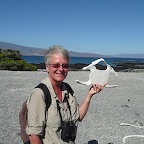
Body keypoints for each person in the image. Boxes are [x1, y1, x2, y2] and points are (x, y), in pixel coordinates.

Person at [26, 45, 105, 144]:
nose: (61, 69)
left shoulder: (67, 89)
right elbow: (34, 136)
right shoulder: (40, 93)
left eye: (65, 65)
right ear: (47, 67)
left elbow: (78, 116)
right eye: (56, 65)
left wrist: (89, 95)